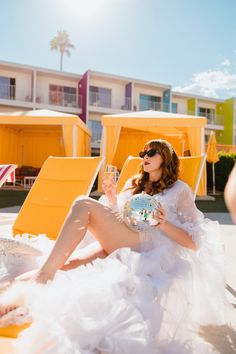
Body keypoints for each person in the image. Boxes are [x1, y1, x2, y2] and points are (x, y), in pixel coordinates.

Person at [0, 139, 233, 354]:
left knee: (83, 203)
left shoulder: (180, 190)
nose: (145, 156)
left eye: (151, 152)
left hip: (146, 246)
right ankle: (8, 297)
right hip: (122, 238)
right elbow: (121, 217)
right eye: (143, 152)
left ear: (166, 157)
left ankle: (41, 279)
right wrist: (112, 199)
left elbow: (192, 242)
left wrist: (163, 223)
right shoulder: (134, 183)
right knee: (69, 263)